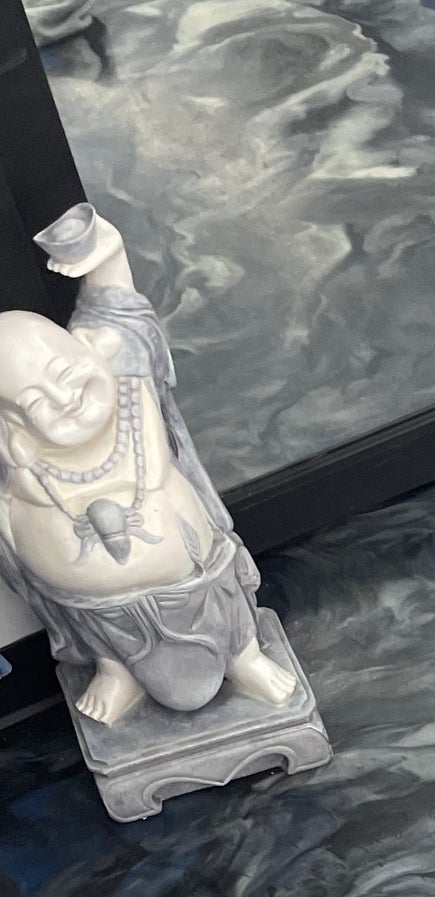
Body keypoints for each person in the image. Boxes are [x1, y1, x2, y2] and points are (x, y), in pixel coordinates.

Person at [0, 203, 297, 727]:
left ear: (91, 347)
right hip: (91, 608)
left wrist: (102, 250)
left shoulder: (124, 375)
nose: (64, 398)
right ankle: (118, 672)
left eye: (65, 373)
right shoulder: (19, 458)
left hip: (197, 577)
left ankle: (243, 656)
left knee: (220, 598)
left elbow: (116, 305)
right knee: (100, 628)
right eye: (36, 400)